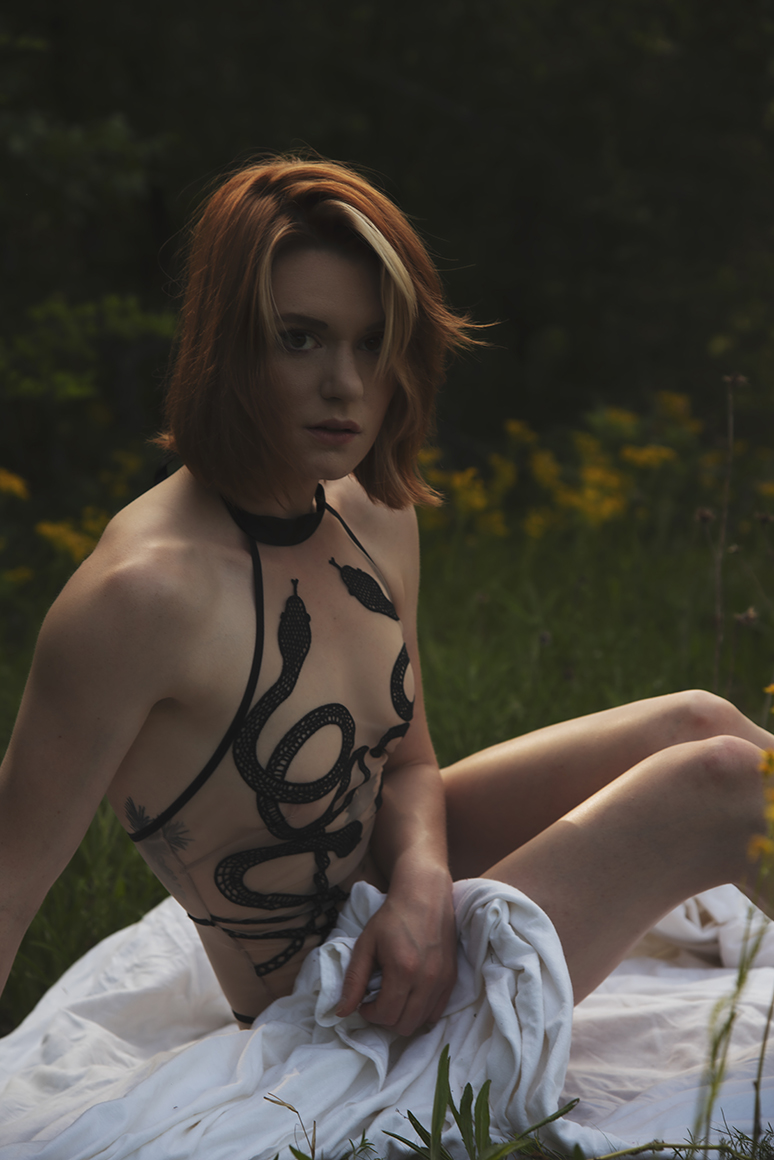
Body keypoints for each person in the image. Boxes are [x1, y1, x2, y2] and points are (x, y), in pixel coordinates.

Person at [1, 155, 772, 1050]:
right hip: (336, 1011)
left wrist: (422, 888)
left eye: (373, 343)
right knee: (722, 787)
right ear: (225, 343)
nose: (348, 385)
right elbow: (8, 884)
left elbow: (408, 764)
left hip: (406, 901)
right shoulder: (139, 598)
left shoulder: (372, 512)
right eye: (300, 339)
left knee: (693, 723)